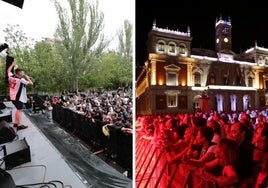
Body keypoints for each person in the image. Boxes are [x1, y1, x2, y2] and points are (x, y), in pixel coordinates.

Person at [7, 60, 33, 130]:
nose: (23, 74)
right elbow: (31, 84)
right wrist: (27, 78)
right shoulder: (20, 80)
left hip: (12, 96)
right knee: (19, 110)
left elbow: (8, 70)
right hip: (18, 98)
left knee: (18, 110)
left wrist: (12, 65)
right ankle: (19, 125)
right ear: (19, 73)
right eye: (22, 73)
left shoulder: (11, 76)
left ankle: (15, 123)